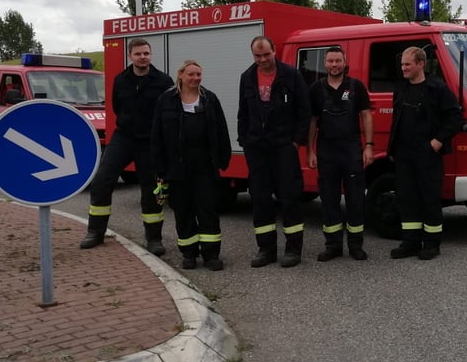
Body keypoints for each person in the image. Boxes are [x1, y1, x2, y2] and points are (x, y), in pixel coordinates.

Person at [80, 38, 174, 255]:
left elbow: (168, 113)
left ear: (151, 55)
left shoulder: (163, 80)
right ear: (130, 56)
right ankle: (95, 232)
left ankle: (154, 239)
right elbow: (116, 106)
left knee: (151, 190)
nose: (143, 57)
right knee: (102, 180)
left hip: (149, 141)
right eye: (139, 54)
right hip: (123, 138)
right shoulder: (120, 80)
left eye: (146, 53)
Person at [237, 35, 311, 268]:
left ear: (274, 50)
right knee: (259, 199)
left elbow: (304, 110)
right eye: (258, 56)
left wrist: (296, 142)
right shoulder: (247, 77)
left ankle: (293, 250)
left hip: (283, 146)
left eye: (266, 54)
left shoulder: (291, 75)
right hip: (257, 148)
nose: (263, 60)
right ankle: (266, 249)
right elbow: (243, 112)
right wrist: (245, 141)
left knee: (289, 197)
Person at [151, 60, 232, 271]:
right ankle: (188, 253)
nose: (195, 78)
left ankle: (211, 254)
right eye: (191, 74)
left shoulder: (210, 99)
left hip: (205, 165)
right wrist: (160, 168)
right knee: (183, 211)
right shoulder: (166, 100)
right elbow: (157, 135)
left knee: (207, 210)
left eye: (198, 74)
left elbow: (221, 129)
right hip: (177, 168)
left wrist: (223, 159)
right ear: (180, 75)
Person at [387, 46, 463, 260]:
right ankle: (410, 242)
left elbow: (455, 117)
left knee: (429, 199)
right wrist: (393, 148)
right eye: (402, 64)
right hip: (404, 154)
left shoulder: (437, 89)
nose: (403, 68)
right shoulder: (400, 88)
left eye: (407, 64)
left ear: (421, 64)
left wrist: (438, 141)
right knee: (406, 198)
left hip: (428, 154)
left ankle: (431, 244)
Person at [307, 46, 374, 262]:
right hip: (326, 151)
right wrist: (310, 150)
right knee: (329, 200)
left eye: (338, 61)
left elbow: (366, 116)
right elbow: (312, 122)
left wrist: (369, 146)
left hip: (351, 150)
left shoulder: (356, 87)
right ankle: (333, 245)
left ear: (344, 63)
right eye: (330, 61)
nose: (334, 65)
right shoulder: (316, 89)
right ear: (325, 63)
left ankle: (356, 246)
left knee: (355, 200)